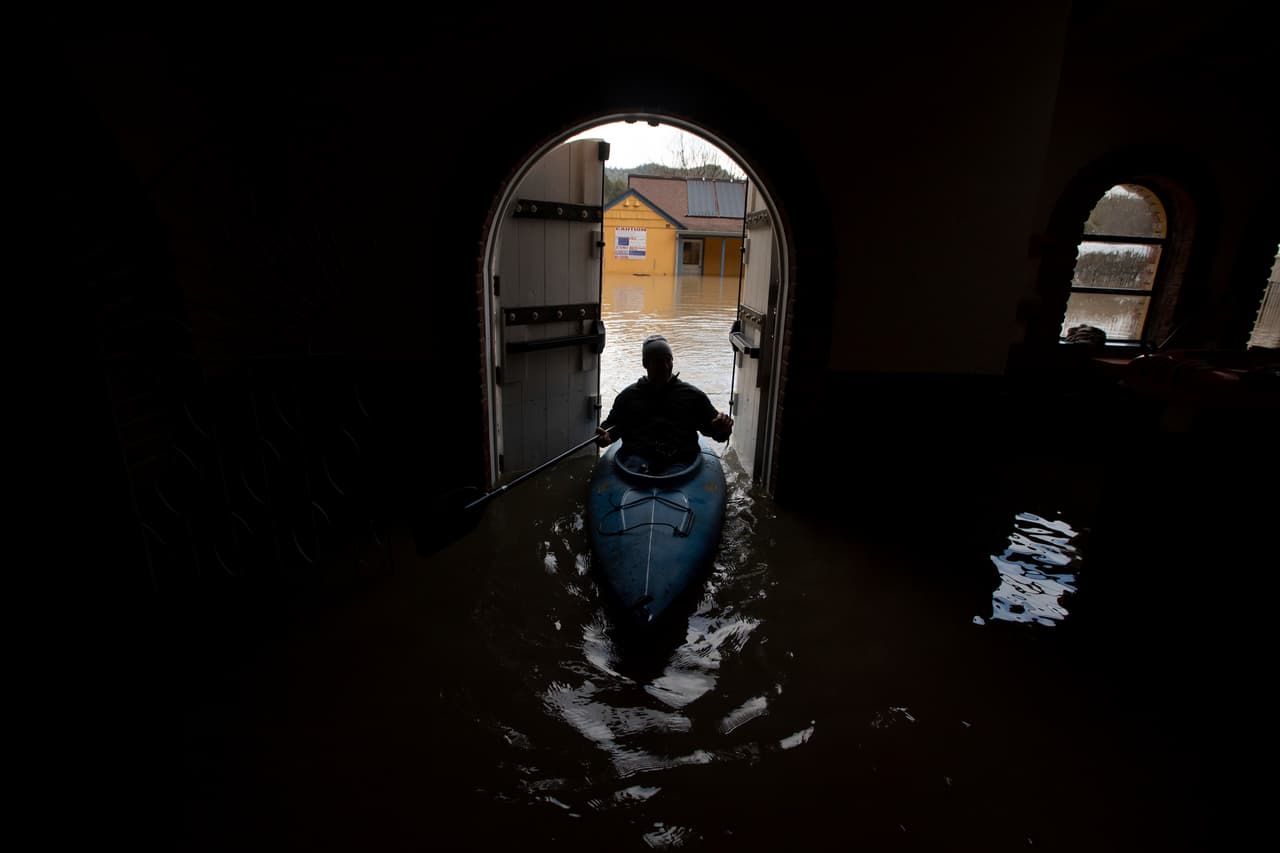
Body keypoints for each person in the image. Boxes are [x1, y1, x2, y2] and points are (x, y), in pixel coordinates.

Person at [595, 334, 733, 471]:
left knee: (677, 468)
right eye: (658, 361)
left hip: (680, 462)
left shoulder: (693, 396)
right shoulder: (628, 397)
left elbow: (717, 433)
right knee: (636, 465)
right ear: (645, 364)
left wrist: (723, 428)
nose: (665, 367)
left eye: (668, 360)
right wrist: (604, 436)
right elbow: (612, 428)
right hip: (637, 460)